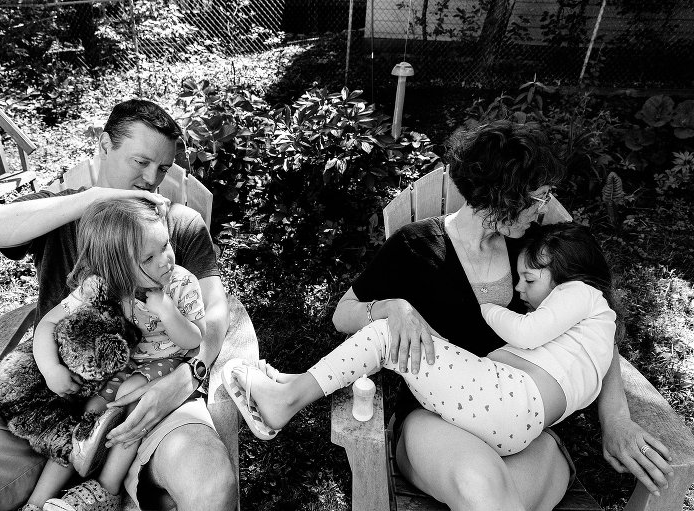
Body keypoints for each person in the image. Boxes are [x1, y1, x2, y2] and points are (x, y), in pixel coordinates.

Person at [248, 121, 672, 510]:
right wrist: (392, 307)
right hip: (433, 423)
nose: (543, 208)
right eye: (538, 196)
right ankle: (288, 397)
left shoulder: (535, 249)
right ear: (503, 196)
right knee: (484, 494)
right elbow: (343, 315)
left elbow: (595, 321)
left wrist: (616, 418)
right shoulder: (415, 246)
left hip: (525, 424)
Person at [0, 99, 237, 511]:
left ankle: (100, 489)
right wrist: (95, 200)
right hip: (50, 397)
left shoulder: (173, 225)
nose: (151, 180)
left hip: (151, 395)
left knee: (212, 488)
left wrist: (188, 375)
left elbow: (214, 312)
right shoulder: (59, 212)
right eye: (141, 162)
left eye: (163, 168)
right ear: (104, 146)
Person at [229, 223, 617, 458]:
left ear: (571, 274)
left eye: (529, 279)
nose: (519, 289)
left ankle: (285, 400)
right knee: (408, 339)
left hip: (506, 399)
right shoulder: (594, 334)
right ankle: (297, 382)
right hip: (515, 424)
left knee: (390, 334)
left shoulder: (580, 292)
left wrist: (486, 307)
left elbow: (526, 332)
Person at [9, 198, 204, 511]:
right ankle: (36, 502)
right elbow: (48, 324)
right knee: (88, 413)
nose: (165, 260)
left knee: (129, 399)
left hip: (166, 363)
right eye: (149, 258)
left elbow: (195, 339)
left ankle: (105, 490)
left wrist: (167, 311)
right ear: (118, 267)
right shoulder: (104, 285)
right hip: (120, 365)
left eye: (165, 245)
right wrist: (51, 370)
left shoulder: (180, 284)